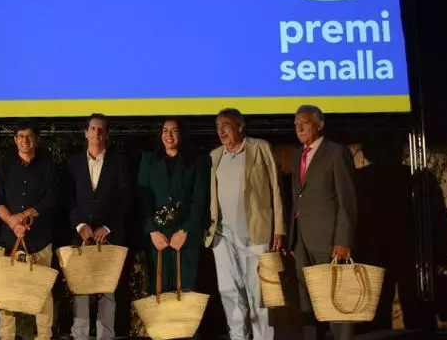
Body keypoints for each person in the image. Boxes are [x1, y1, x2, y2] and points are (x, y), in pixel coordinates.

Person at [204, 109, 285, 340]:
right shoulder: (214, 156)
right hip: (222, 236)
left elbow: (276, 188)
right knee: (229, 293)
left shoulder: (260, 148)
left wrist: (279, 228)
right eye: (217, 126)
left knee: (258, 295)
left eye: (225, 125)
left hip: (255, 234)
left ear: (240, 127)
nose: (220, 131)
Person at [290, 105, 358, 340]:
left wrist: (343, 240)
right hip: (302, 239)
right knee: (307, 299)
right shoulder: (297, 155)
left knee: (335, 295)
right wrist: (293, 237)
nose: (299, 128)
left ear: (320, 124)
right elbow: (298, 197)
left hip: (328, 239)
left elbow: (347, 200)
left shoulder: (336, 152)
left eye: (305, 123)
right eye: (296, 124)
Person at [65, 113, 130, 340]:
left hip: (109, 238)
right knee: (81, 291)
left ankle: (105, 336)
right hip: (81, 237)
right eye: (93, 128)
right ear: (85, 133)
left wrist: (109, 226)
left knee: (107, 291)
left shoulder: (119, 162)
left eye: (101, 129)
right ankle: (80, 336)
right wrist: (79, 225)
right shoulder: (73, 163)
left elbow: (125, 199)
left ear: (107, 134)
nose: (96, 133)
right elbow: (67, 198)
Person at [0, 121, 60, 340]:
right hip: (10, 240)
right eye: (21, 136)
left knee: (42, 292)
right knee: (6, 292)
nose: (25, 140)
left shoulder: (49, 167)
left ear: (36, 140)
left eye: (29, 136)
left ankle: (43, 336)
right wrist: (13, 222)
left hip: (40, 240)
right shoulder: (4, 167)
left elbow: (52, 198)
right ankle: (7, 337)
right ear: (15, 140)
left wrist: (26, 215)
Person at [137, 117, 210, 295]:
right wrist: (152, 230)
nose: (169, 135)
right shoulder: (148, 160)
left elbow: (200, 199)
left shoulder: (197, 161)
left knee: (186, 291)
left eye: (174, 131)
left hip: (186, 236)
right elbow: (143, 198)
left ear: (182, 134)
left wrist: (185, 230)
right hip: (158, 237)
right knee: (159, 291)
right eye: (165, 131)